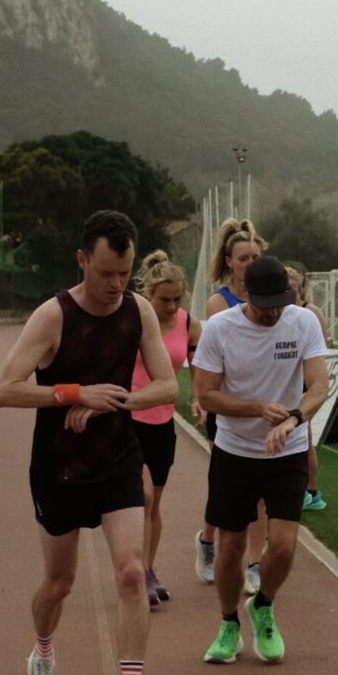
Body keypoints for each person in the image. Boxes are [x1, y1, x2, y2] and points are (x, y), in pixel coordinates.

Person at [0, 209, 178, 675]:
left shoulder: (138, 310)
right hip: (59, 468)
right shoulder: (52, 317)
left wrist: (110, 404)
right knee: (59, 582)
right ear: (82, 261)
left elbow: (166, 388)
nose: (116, 284)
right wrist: (74, 393)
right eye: (105, 273)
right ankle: (43, 657)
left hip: (117, 456)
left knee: (129, 571)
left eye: (124, 272)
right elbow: (5, 391)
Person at [192, 253, 328, 666]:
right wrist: (256, 409)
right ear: (246, 292)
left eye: (280, 303)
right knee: (231, 549)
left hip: (287, 449)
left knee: (284, 547)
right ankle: (229, 621)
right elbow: (206, 394)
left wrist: (293, 419)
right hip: (235, 451)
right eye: (266, 304)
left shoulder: (302, 322)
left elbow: (319, 384)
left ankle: (263, 606)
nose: (273, 312)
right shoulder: (220, 328)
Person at [194, 218, 267, 592]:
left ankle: (254, 563)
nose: (251, 262)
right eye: (244, 257)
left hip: (263, 405)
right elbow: (211, 360)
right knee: (225, 489)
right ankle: (207, 542)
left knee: (258, 494)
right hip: (227, 405)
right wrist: (202, 399)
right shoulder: (218, 303)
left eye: (256, 256)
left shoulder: (271, 294)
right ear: (229, 261)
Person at [130, 251, 202, 606]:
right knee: (142, 497)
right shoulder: (132, 319)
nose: (171, 306)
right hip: (128, 421)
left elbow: (198, 368)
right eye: (164, 300)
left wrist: (199, 398)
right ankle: (138, 572)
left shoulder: (189, 324)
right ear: (148, 294)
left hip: (162, 423)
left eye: (177, 299)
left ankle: (148, 567)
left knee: (154, 503)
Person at [285, 261, 332, 511]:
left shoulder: (310, 311)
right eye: (286, 286)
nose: (290, 291)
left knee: (305, 436)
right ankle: (304, 489)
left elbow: (321, 345)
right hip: (288, 379)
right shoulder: (281, 310)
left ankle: (311, 491)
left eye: (293, 286)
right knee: (298, 435)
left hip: (305, 379)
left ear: (300, 286)